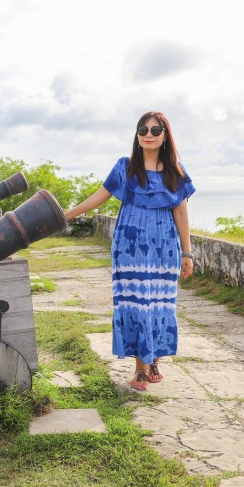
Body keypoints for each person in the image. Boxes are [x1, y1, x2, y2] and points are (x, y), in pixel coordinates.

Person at [64, 111, 195, 391]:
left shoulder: (176, 171)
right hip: (129, 245)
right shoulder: (124, 168)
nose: (148, 134)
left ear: (165, 136)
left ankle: (154, 359)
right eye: (142, 129)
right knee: (134, 304)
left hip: (163, 247)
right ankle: (140, 367)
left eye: (155, 130)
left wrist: (187, 253)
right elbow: (98, 197)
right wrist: (66, 214)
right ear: (137, 135)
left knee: (159, 304)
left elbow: (181, 214)